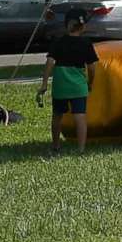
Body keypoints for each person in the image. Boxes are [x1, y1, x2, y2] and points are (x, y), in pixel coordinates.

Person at [36, 10, 98, 151]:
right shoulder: (86, 43)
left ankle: (56, 145)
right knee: (80, 116)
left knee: (57, 116)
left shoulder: (58, 41)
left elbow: (50, 62)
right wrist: (90, 83)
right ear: (82, 27)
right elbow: (92, 67)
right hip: (78, 86)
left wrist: (44, 83)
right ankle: (81, 148)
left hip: (60, 86)